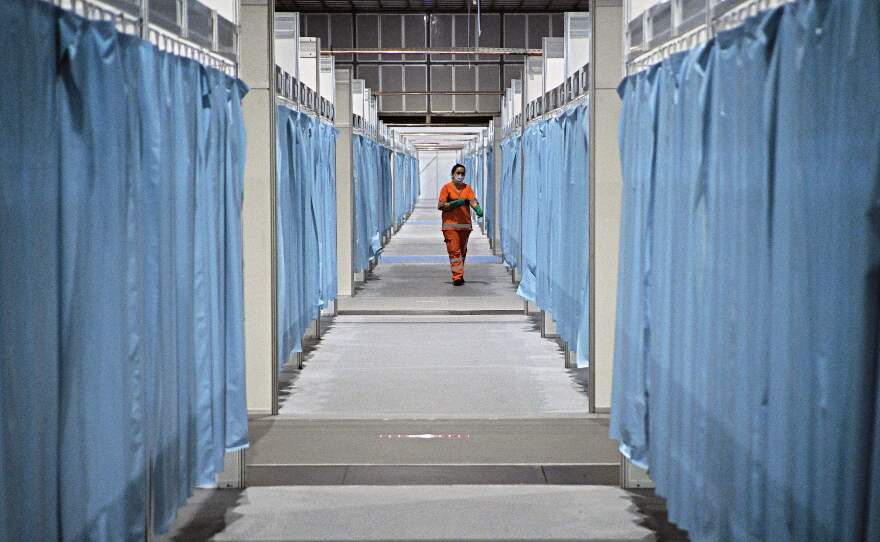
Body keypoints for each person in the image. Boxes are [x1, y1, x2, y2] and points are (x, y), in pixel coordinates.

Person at [437, 163, 483, 286]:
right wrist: (456, 203)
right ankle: (457, 277)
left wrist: (478, 208)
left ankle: (460, 273)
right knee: (454, 251)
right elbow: (441, 206)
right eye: (458, 173)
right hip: (450, 226)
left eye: (462, 173)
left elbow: (472, 200)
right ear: (453, 174)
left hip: (465, 226)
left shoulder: (467, 188)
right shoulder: (446, 188)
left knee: (462, 252)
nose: (460, 175)